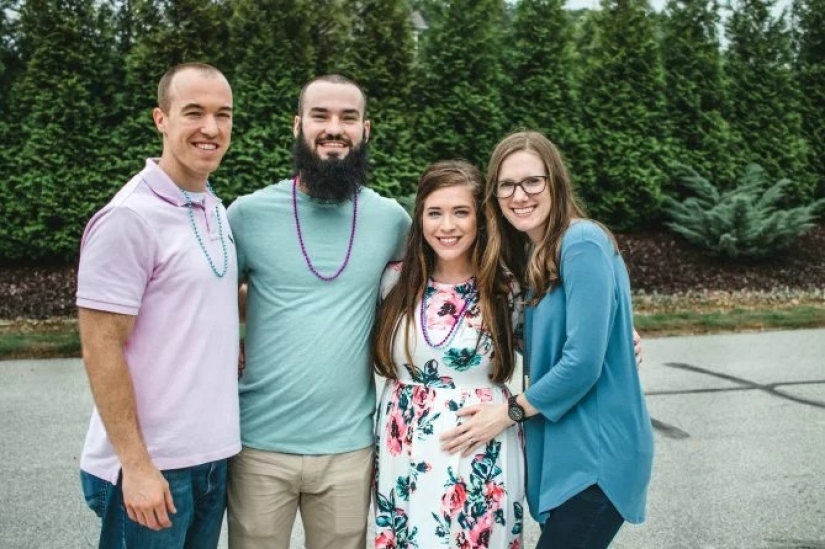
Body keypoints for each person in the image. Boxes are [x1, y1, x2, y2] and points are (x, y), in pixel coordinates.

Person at [442, 130, 654, 548]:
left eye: (532, 181)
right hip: (568, 451)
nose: (519, 195)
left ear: (555, 181)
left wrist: (506, 414)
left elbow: (581, 363)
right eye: (506, 185)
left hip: (599, 451)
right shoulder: (535, 257)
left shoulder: (582, 241)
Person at [226, 74, 411, 549]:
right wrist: (229, 340)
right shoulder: (247, 215)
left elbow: (448, 289)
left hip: (349, 449)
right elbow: (208, 293)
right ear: (297, 125)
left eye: (348, 117)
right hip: (259, 446)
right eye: (320, 116)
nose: (334, 128)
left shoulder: (391, 220)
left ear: (365, 129)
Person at [75, 62, 240, 549]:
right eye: (194, 112)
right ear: (160, 119)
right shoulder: (129, 218)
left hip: (211, 460)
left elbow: (203, 297)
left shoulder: (211, 204)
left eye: (223, 114)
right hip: (153, 470)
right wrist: (136, 465)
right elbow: (100, 347)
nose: (211, 128)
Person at [372, 160, 524, 549]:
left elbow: (556, 347)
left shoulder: (504, 287)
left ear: (480, 219)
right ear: (419, 217)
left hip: (482, 442)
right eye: (434, 212)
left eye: (461, 212)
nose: (447, 226)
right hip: (402, 445)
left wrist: (618, 334)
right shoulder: (394, 280)